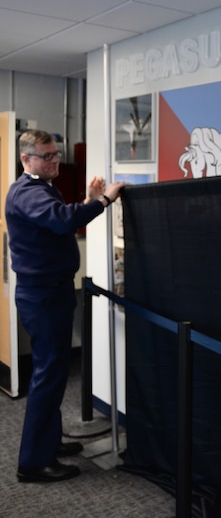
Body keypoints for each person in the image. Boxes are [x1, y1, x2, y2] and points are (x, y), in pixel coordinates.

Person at [5, 130, 126, 483]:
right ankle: (32, 462)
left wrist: (87, 200)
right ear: (26, 160)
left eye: (56, 154)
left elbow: (56, 221)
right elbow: (60, 220)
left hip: (49, 293)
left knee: (53, 372)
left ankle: (49, 442)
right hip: (43, 297)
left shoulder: (41, 187)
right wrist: (102, 200)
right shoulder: (27, 192)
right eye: (46, 156)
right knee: (48, 374)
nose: (54, 160)